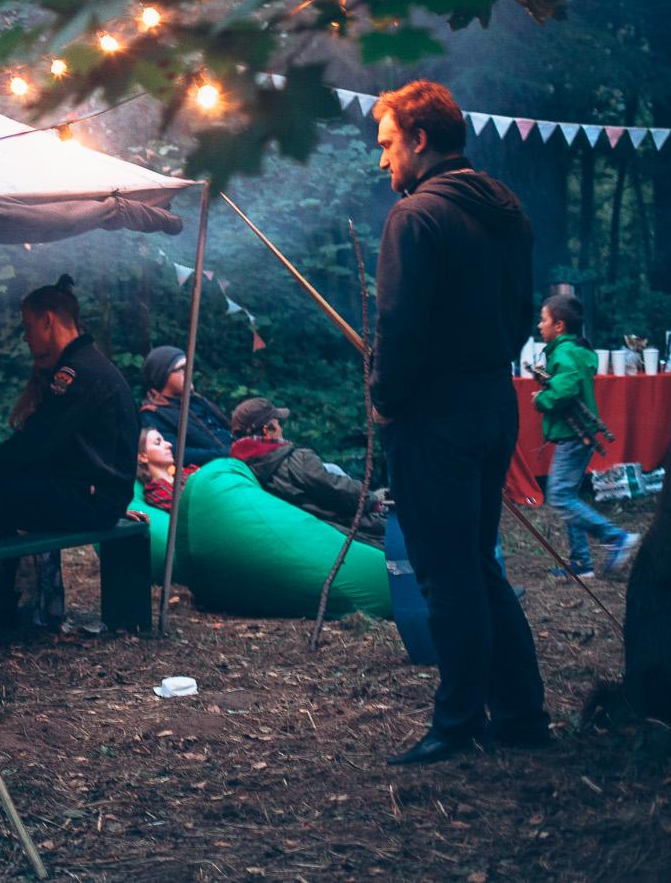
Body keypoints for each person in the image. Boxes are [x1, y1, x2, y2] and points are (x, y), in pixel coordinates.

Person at [370, 80, 547, 765]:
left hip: (434, 416)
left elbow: (399, 325)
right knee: (475, 561)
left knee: (447, 574)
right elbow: (521, 313)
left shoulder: (416, 217)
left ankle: (458, 721)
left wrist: (387, 398)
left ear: (419, 139)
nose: (384, 159)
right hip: (493, 403)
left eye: (389, 143)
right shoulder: (507, 210)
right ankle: (522, 713)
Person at [0, 276, 137, 544]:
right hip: (86, 490)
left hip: (90, 499)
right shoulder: (85, 364)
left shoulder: (78, 373)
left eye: (28, 327)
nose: (27, 338)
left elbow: (33, 443)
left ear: (47, 321)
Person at [532, 293, 641, 581]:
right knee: (569, 496)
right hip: (576, 435)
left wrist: (541, 399)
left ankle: (615, 537)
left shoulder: (565, 353)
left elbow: (566, 388)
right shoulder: (574, 350)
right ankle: (581, 562)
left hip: (573, 437)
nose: (539, 325)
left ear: (559, 325)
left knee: (559, 496)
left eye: (544, 320)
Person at [228, 397, 387, 545]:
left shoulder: (243, 472)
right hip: (346, 531)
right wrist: (373, 500)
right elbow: (338, 490)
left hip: (301, 539)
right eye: (277, 424)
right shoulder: (298, 461)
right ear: (267, 430)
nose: (281, 429)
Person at [137, 346, 233, 462]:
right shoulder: (153, 415)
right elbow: (176, 454)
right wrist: (229, 453)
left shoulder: (198, 401)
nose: (189, 371)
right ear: (162, 376)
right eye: (182, 368)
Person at [137, 427, 193, 514]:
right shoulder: (156, 492)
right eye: (158, 443)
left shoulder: (186, 472)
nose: (169, 444)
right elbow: (189, 508)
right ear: (143, 457)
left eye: (164, 440)